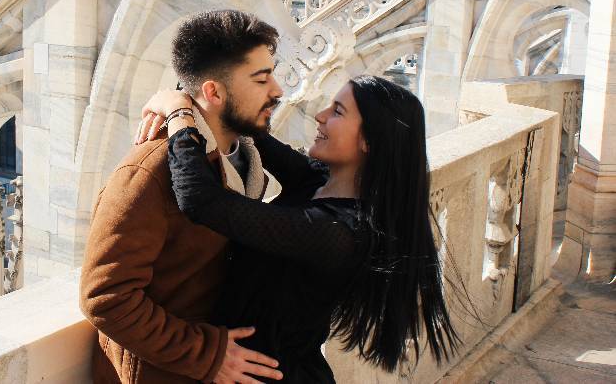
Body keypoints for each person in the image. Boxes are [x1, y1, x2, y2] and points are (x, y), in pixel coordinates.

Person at [138, 74, 460, 382]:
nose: (319, 116)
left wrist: (179, 113)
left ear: (368, 141)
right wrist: (194, 91)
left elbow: (200, 200)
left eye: (337, 112)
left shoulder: (339, 232)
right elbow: (254, 134)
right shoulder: (321, 180)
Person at [79, 10, 288, 383]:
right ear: (214, 92)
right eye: (261, 78)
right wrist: (207, 354)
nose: (277, 90)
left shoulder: (246, 154)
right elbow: (105, 297)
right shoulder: (150, 171)